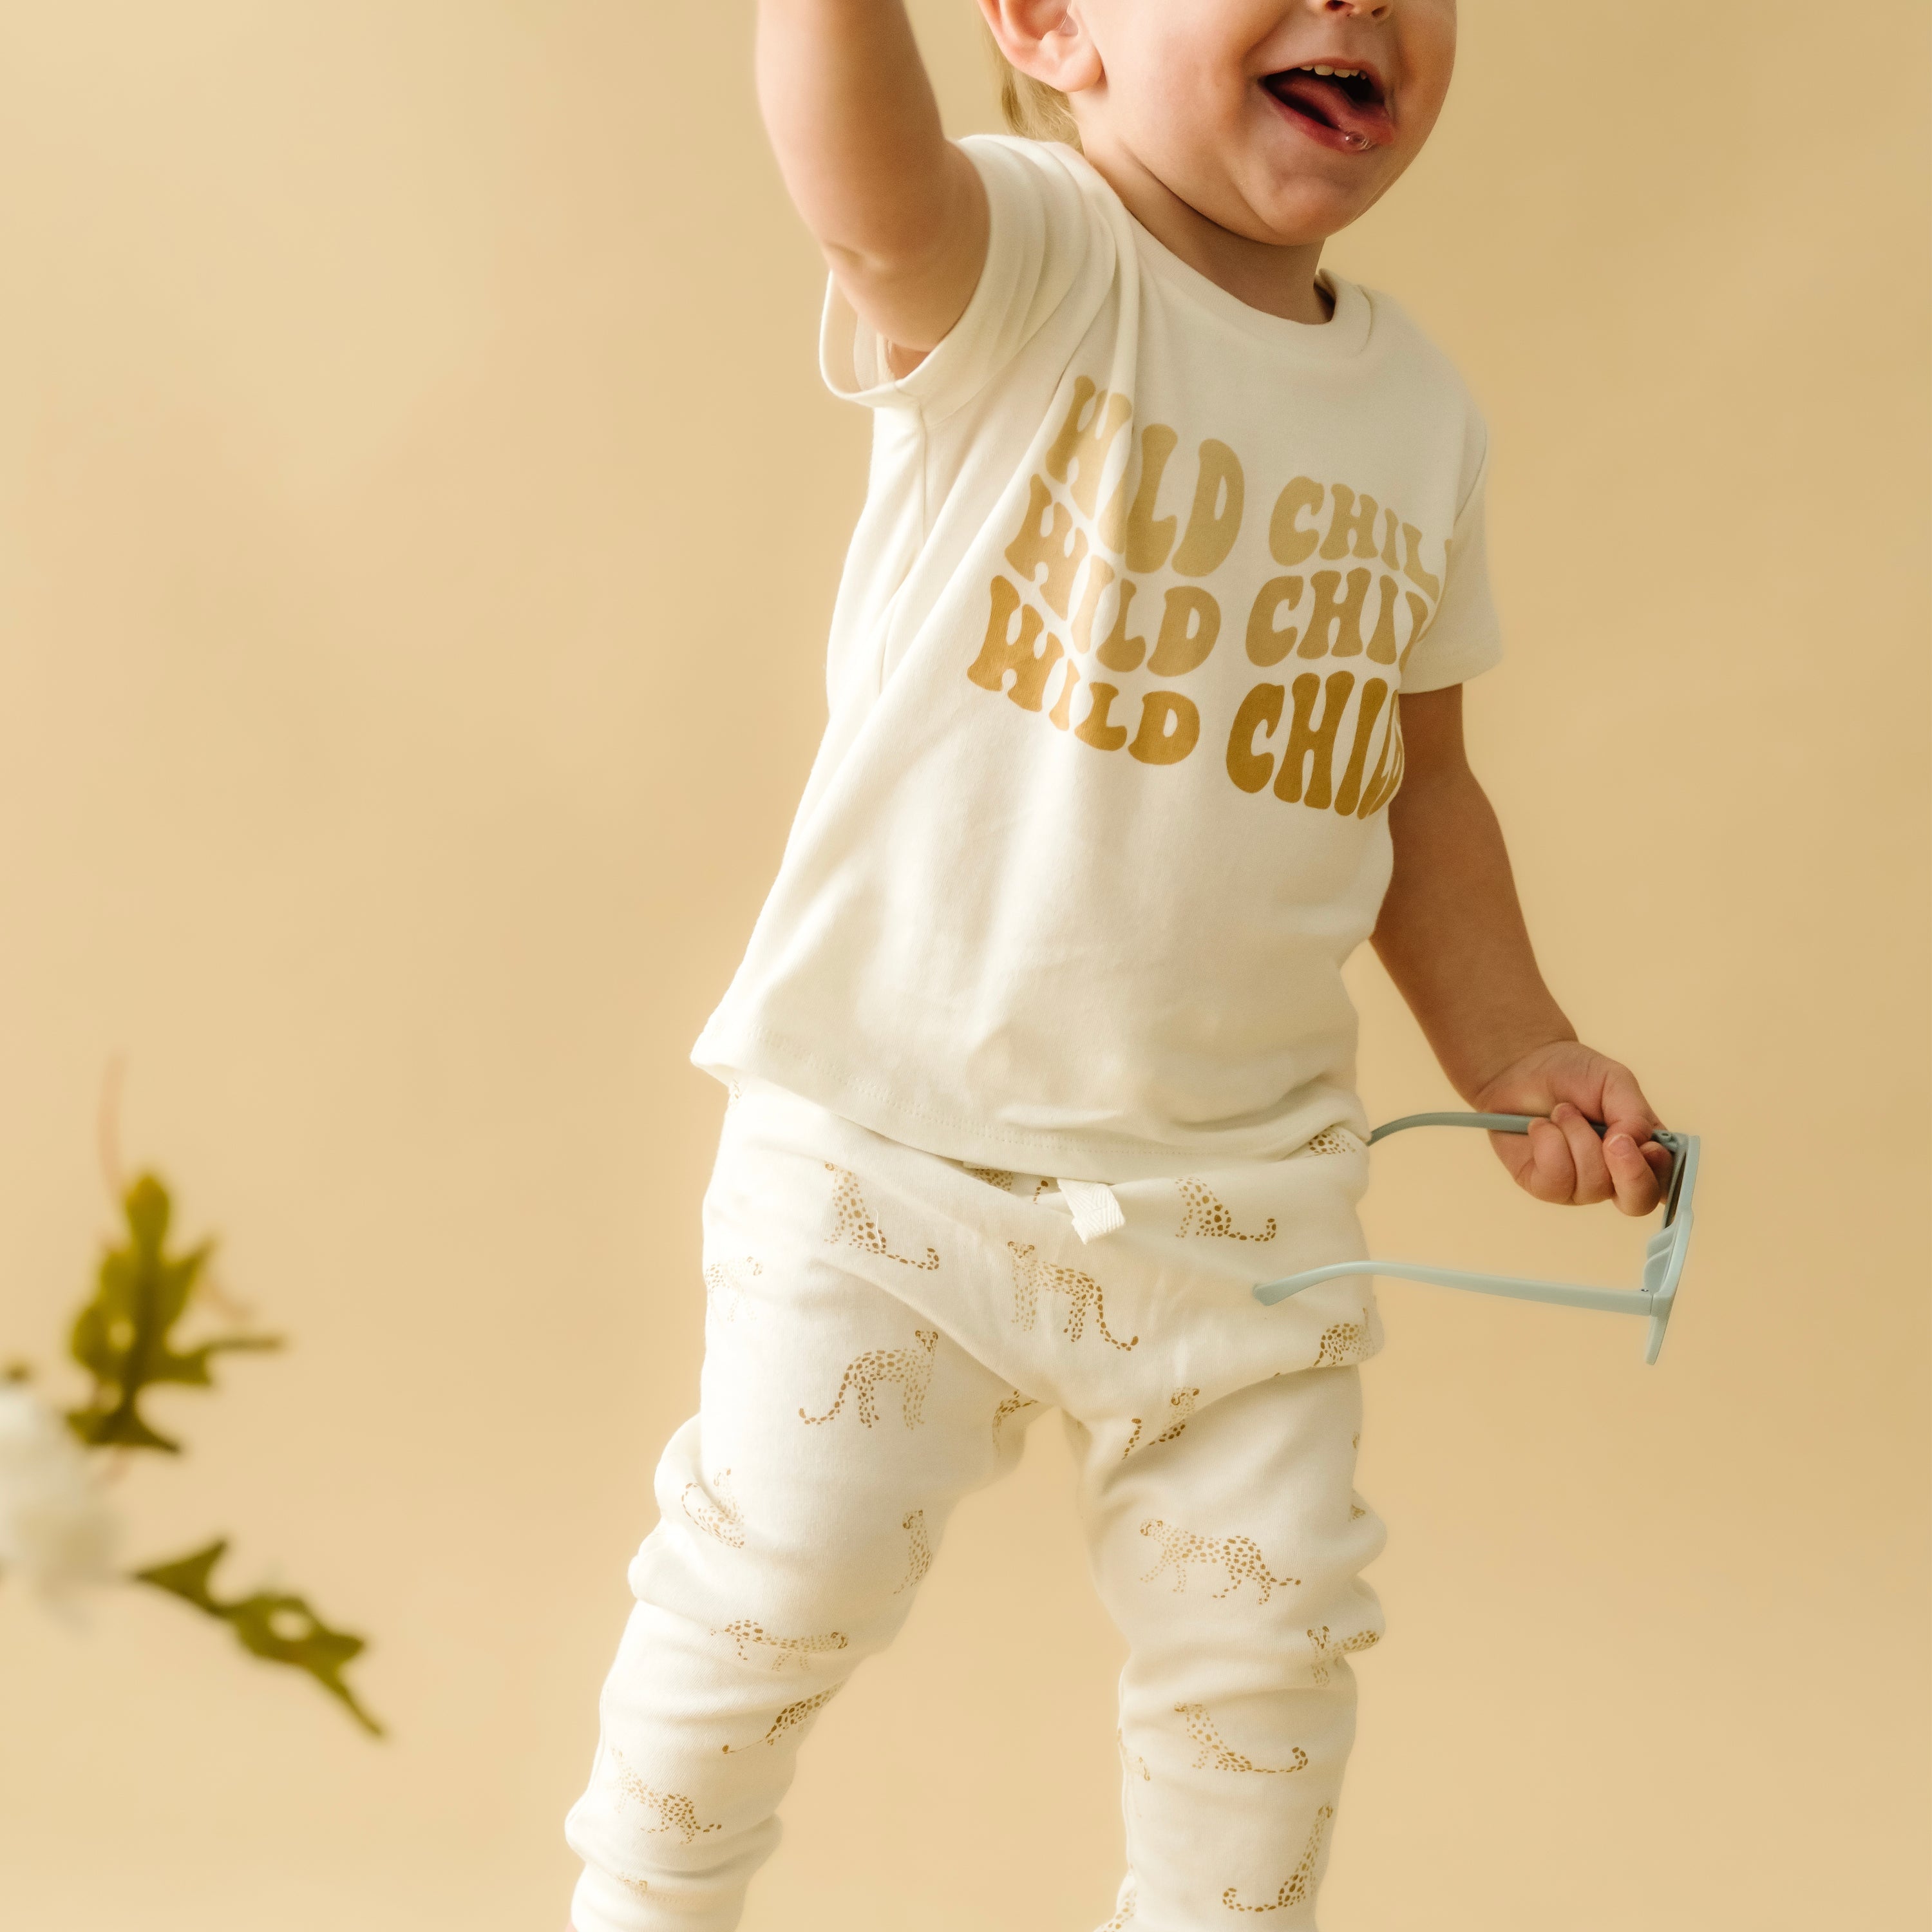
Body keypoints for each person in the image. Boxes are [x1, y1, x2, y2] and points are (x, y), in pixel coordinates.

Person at [565, 3, 1672, 1926]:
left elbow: (1419, 785)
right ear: (1050, 25)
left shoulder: (1423, 415)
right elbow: (859, 194)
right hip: (888, 1162)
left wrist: (1516, 1046)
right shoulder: (1031, 262)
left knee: (1266, 1684)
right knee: (762, 1596)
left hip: (1245, 1210)